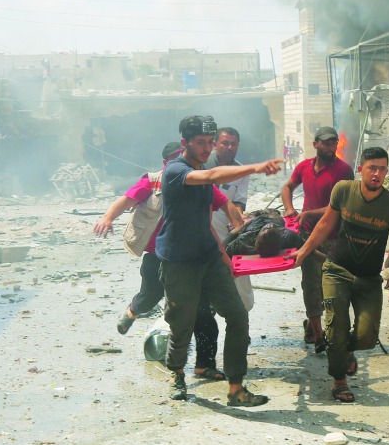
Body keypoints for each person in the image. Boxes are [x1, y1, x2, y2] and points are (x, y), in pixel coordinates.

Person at [158, 115, 283, 406]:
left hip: (208, 257)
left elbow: (219, 204)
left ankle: (236, 387)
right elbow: (213, 177)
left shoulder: (201, 172)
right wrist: (255, 167)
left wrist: (226, 253)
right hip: (179, 262)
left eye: (209, 142)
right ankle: (177, 374)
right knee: (182, 323)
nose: (206, 148)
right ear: (184, 143)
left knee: (238, 316)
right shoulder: (176, 170)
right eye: (200, 143)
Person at [93, 142, 241, 382]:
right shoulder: (153, 182)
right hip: (158, 257)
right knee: (152, 298)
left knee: (203, 314)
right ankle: (133, 312)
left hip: (191, 261)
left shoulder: (199, 182)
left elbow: (225, 203)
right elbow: (126, 200)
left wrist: (239, 227)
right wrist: (108, 218)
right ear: (167, 163)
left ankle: (204, 365)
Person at [292, 146, 389, 403]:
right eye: (372, 168)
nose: (377, 174)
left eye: (382, 169)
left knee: (367, 337)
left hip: (369, 279)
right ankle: (339, 381)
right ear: (361, 169)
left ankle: (344, 351)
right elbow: (325, 224)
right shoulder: (344, 190)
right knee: (336, 329)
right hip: (337, 270)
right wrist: (304, 250)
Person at [280, 125, 354, 351]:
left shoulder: (343, 171)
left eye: (334, 143)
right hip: (308, 237)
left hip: (334, 238)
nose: (331, 147)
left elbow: (340, 206)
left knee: (331, 288)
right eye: (326, 142)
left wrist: (309, 213)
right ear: (315, 144)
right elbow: (287, 186)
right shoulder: (303, 167)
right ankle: (319, 334)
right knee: (311, 285)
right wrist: (289, 208)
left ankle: (320, 327)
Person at [205, 126, 255, 311]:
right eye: (225, 143)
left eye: (233, 144)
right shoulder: (200, 167)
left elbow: (239, 201)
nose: (229, 147)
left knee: (239, 275)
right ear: (215, 144)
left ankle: (242, 319)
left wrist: (239, 216)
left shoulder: (241, 172)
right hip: (200, 231)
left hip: (227, 228)